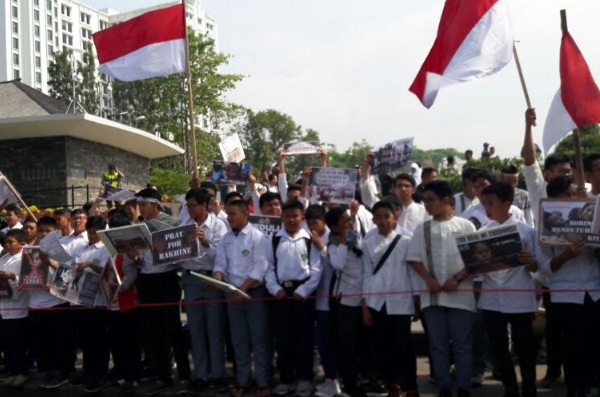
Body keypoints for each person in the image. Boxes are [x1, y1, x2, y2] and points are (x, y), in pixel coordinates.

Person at [407, 181, 477, 397]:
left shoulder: (466, 226)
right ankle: (443, 385)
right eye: (425, 200)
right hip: (433, 296)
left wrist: (457, 278)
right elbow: (414, 259)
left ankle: (464, 385)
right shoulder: (423, 228)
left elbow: (475, 259)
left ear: (446, 200)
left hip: (461, 294)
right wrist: (428, 280)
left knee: (462, 344)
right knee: (437, 345)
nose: (426, 205)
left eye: (430, 200)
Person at [536, 177, 600, 397]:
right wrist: (565, 256)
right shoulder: (545, 225)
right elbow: (543, 267)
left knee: (593, 344)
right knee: (572, 347)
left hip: (593, 291)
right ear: (554, 199)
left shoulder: (591, 216)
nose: (573, 199)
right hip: (566, 295)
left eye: (576, 195)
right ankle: (574, 388)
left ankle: (588, 385)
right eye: (568, 195)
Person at [126, 188, 191, 395]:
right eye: (139, 206)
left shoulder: (171, 224)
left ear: (155, 204)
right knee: (152, 331)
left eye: (144, 205)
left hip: (167, 280)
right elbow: (139, 260)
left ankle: (185, 375)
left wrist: (162, 250)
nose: (141, 209)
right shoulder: (137, 226)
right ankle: (163, 376)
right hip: (146, 280)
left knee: (173, 329)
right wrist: (134, 257)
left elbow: (182, 252)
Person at [478, 182, 538, 397]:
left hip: (519, 296)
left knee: (525, 348)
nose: (487, 208)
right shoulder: (482, 233)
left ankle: (529, 388)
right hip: (491, 298)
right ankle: (510, 388)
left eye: (491, 203)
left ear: (507, 204)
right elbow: (475, 270)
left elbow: (537, 268)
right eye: (484, 203)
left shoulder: (527, 232)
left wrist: (530, 262)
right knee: (498, 347)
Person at [213, 200, 271, 397]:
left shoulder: (258, 237)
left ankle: (263, 382)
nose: (230, 218)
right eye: (228, 214)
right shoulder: (226, 239)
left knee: (259, 338)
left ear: (246, 215)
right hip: (232, 294)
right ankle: (243, 380)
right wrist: (217, 278)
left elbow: (260, 268)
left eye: (234, 214)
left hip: (254, 293)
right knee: (239, 340)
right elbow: (220, 265)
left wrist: (242, 290)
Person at [361, 201, 419, 397]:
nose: (383, 220)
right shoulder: (367, 243)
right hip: (377, 302)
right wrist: (365, 306)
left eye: (387, 216)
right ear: (373, 220)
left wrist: (416, 302)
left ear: (395, 217)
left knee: (404, 345)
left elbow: (413, 273)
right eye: (379, 217)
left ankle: (410, 385)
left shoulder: (407, 241)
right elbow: (365, 275)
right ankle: (391, 383)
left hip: (401, 302)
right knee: (382, 344)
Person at [266, 200, 322, 397]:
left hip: (302, 296)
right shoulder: (274, 240)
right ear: (282, 217)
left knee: (304, 339)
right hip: (281, 295)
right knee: (283, 339)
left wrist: (304, 291)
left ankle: (305, 378)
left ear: (302, 218)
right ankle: (286, 378)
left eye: (295, 216)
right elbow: (269, 268)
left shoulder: (309, 240)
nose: (291, 220)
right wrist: (275, 289)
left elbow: (316, 270)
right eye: (288, 216)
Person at [181, 188, 228, 392]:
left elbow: (222, 256)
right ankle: (201, 374)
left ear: (204, 205)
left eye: (192, 205)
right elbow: (177, 255)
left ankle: (218, 374)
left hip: (211, 280)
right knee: (196, 330)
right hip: (191, 280)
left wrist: (205, 242)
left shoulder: (218, 226)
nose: (189, 209)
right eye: (187, 206)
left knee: (214, 329)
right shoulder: (183, 227)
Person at [32, 216, 73, 390]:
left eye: (47, 231)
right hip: (36, 302)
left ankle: (59, 373)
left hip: (56, 302)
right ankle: (48, 371)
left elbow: (69, 274)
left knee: (57, 341)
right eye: (41, 231)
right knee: (43, 342)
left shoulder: (62, 249)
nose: (43, 234)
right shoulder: (31, 251)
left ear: (54, 232)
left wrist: (49, 261)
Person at [73, 216, 111, 393]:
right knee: (86, 339)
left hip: (99, 301)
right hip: (81, 298)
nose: (92, 236)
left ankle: (100, 373)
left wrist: (89, 265)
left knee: (98, 339)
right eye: (90, 233)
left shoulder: (105, 249)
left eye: (95, 233)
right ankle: (88, 370)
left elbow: (106, 271)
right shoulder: (82, 248)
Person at [305, 205, 340, 397]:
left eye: (315, 223)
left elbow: (338, 264)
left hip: (332, 301)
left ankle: (333, 380)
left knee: (326, 342)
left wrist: (322, 249)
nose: (312, 227)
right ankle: (330, 379)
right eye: (309, 224)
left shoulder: (332, 238)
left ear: (324, 221)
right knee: (321, 341)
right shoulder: (310, 239)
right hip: (317, 299)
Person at [0, 229, 29, 388]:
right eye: (6, 242)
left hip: (18, 308)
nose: (8, 245)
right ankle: (12, 371)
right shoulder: (3, 258)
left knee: (18, 343)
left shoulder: (25, 258)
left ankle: (21, 372)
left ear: (21, 243)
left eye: (11, 242)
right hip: (3, 307)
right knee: (7, 343)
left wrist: (12, 277)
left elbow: (27, 281)